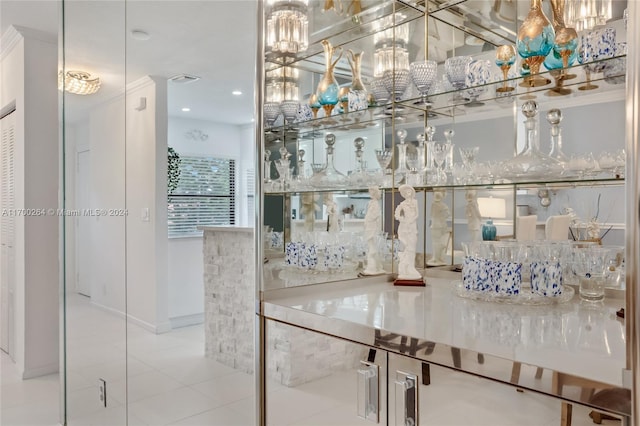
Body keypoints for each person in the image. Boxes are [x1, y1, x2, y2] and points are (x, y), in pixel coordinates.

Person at [394, 184, 422, 280]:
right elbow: (397, 214)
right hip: (405, 226)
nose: (408, 194)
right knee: (406, 246)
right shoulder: (402, 204)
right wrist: (402, 219)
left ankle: (411, 267)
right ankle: (405, 268)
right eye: (406, 192)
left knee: (412, 246)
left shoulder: (415, 202)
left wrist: (412, 220)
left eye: (409, 192)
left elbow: (417, 214)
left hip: (412, 225)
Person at [363, 186, 385, 275]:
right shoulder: (370, 203)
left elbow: (376, 214)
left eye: (372, 192)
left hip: (372, 225)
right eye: (370, 192)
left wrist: (369, 219)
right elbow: (368, 213)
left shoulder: (375, 203)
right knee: (370, 243)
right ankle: (376, 265)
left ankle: (374, 265)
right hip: (368, 224)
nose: (370, 193)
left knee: (371, 243)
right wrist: (366, 220)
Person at [429, 189, 450, 266]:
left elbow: (447, 214)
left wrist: (441, 217)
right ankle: (436, 257)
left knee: (436, 242)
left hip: (438, 225)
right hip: (435, 225)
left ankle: (438, 256)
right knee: (435, 242)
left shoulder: (442, 206)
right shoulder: (434, 204)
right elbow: (431, 214)